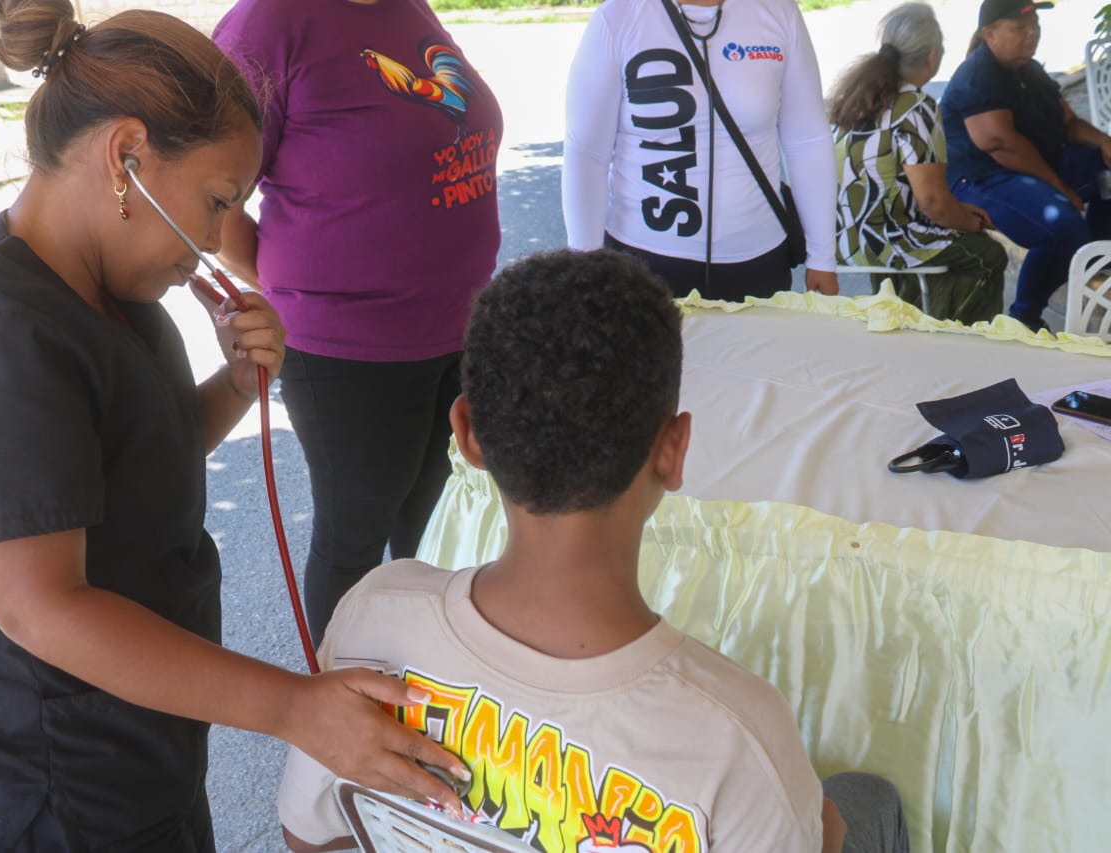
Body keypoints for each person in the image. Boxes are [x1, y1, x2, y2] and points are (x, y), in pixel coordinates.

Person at [0, 2, 469, 849]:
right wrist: (294, 707)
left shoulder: (108, 290)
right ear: (126, 155)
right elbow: (42, 607)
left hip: (139, 752)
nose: (212, 239)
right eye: (216, 201)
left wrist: (234, 384)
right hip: (49, 796)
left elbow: (129, 467)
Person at [276, 249, 911, 853]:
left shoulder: (375, 612)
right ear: (673, 450)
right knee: (866, 800)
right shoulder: (741, 735)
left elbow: (309, 835)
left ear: (468, 436)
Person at [211, 0, 503, 646]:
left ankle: (421, 679)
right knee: (355, 539)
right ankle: (344, 699)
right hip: (350, 351)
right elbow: (210, 194)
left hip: (458, 331)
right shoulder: (270, 25)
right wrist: (305, 286)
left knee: (435, 533)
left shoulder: (405, 7)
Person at [562, 0, 840, 302]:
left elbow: (807, 141)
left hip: (758, 261)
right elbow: (587, 155)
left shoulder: (779, 12)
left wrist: (822, 256)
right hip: (641, 264)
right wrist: (584, 269)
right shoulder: (617, 17)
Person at [830, 2, 1008, 324]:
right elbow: (932, 203)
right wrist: (969, 223)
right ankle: (952, 337)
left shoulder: (859, 98)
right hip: (888, 241)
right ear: (932, 56)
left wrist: (958, 211)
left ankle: (910, 321)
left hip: (850, 238)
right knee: (988, 254)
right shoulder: (915, 106)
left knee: (948, 237)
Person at [940, 0, 1111, 331]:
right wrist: (1061, 190)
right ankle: (1023, 318)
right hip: (982, 178)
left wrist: (1105, 142)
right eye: (1019, 28)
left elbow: (1068, 123)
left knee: (1107, 174)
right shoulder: (978, 75)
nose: (1031, 33)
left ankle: (1097, 267)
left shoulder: (1029, 69)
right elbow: (1001, 144)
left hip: (1031, 164)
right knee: (1061, 227)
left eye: (1035, 25)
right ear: (989, 34)